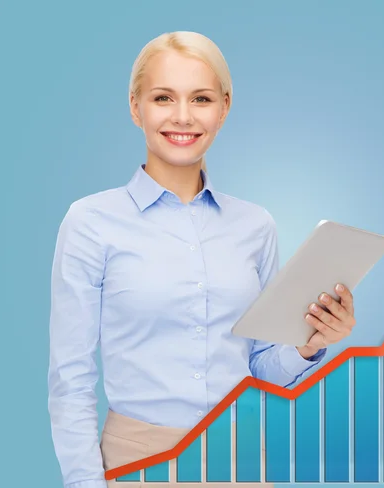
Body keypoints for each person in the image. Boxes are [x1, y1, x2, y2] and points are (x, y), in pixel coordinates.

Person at [48, 31, 357, 488]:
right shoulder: (90, 222)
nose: (183, 116)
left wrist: (309, 343)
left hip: (243, 463)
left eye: (201, 98)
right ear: (135, 107)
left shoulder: (256, 226)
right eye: (163, 98)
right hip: (136, 465)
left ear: (224, 108)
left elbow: (260, 366)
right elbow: (70, 379)